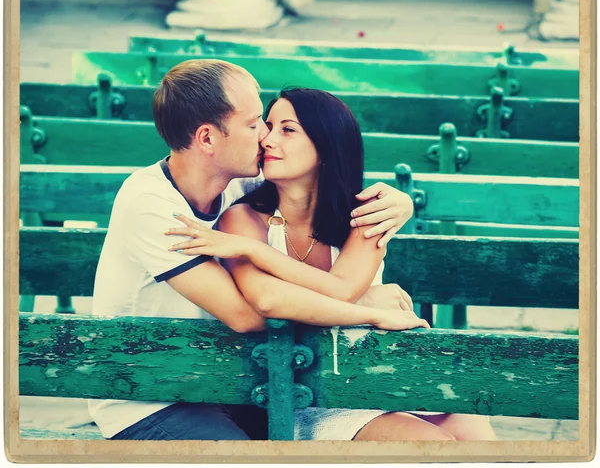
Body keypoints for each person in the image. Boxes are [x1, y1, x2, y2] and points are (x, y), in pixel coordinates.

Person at [88, 59, 427, 441]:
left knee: (453, 428)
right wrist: (365, 305)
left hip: (230, 385)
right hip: (151, 396)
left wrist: (402, 204)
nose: (265, 135)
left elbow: (315, 182)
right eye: (254, 125)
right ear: (207, 139)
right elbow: (247, 313)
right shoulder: (151, 205)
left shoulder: (237, 185)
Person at [165, 88, 498, 441]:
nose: (267, 138)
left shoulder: (366, 215)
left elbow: (341, 288)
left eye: (287, 130)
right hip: (309, 395)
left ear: (326, 144)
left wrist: (254, 252)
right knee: (436, 447)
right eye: (269, 126)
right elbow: (267, 300)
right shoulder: (242, 218)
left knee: (474, 434)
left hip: (381, 375)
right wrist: (372, 312)